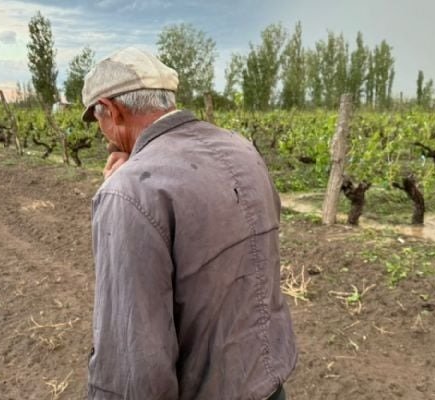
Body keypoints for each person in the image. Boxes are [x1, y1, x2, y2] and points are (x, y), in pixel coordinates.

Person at [83, 47, 296, 400]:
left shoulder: (128, 191)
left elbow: (132, 361)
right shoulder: (242, 149)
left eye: (97, 119)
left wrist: (118, 195)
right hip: (268, 381)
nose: (102, 133)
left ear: (113, 110)